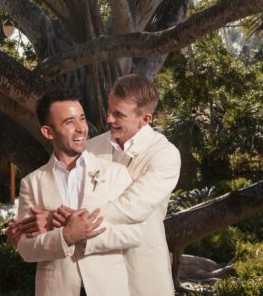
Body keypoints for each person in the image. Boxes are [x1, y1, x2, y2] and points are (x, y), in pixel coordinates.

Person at [12, 75, 182, 296]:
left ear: (145, 119)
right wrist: (35, 229)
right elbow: (57, 186)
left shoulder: (165, 155)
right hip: (90, 272)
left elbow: (131, 208)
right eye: (109, 110)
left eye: (119, 114)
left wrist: (62, 220)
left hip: (141, 265)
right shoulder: (89, 146)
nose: (109, 119)